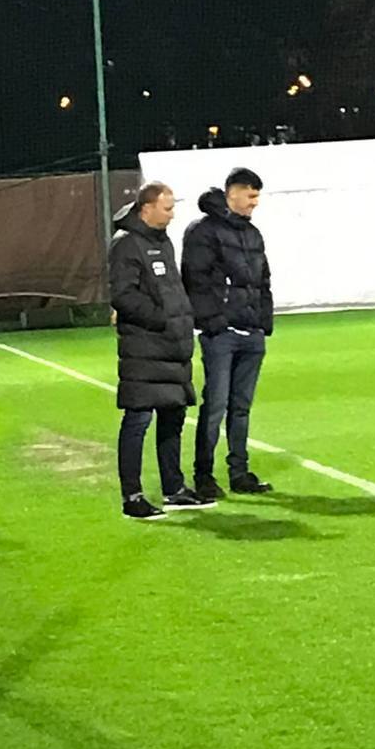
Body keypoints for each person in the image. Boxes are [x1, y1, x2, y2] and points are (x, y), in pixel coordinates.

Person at [109, 182, 215, 520]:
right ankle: (132, 497)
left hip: (172, 347)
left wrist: (181, 323)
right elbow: (123, 295)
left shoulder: (162, 241)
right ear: (147, 208)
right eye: (167, 208)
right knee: (138, 420)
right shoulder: (126, 244)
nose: (172, 214)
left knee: (173, 418)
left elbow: (172, 289)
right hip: (144, 348)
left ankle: (174, 489)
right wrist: (161, 319)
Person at [181, 167, 274, 499]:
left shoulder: (253, 233)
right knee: (216, 405)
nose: (255, 203)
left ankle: (239, 473)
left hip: (251, 332)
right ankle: (204, 475)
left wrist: (263, 322)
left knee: (241, 407)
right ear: (233, 192)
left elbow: (263, 281)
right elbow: (195, 280)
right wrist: (214, 321)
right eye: (251, 196)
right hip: (221, 334)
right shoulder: (203, 231)